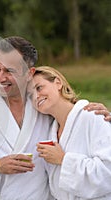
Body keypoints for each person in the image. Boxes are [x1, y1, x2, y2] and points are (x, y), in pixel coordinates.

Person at [0, 36, 111, 200]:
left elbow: (72, 118)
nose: (0, 78)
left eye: (9, 71)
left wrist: (104, 116)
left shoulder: (42, 109)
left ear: (29, 73)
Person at [34, 66, 111, 199]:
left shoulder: (92, 116)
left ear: (58, 83)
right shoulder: (49, 134)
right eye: (29, 95)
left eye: (39, 87)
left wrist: (64, 160)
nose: (35, 96)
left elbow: (107, 173)